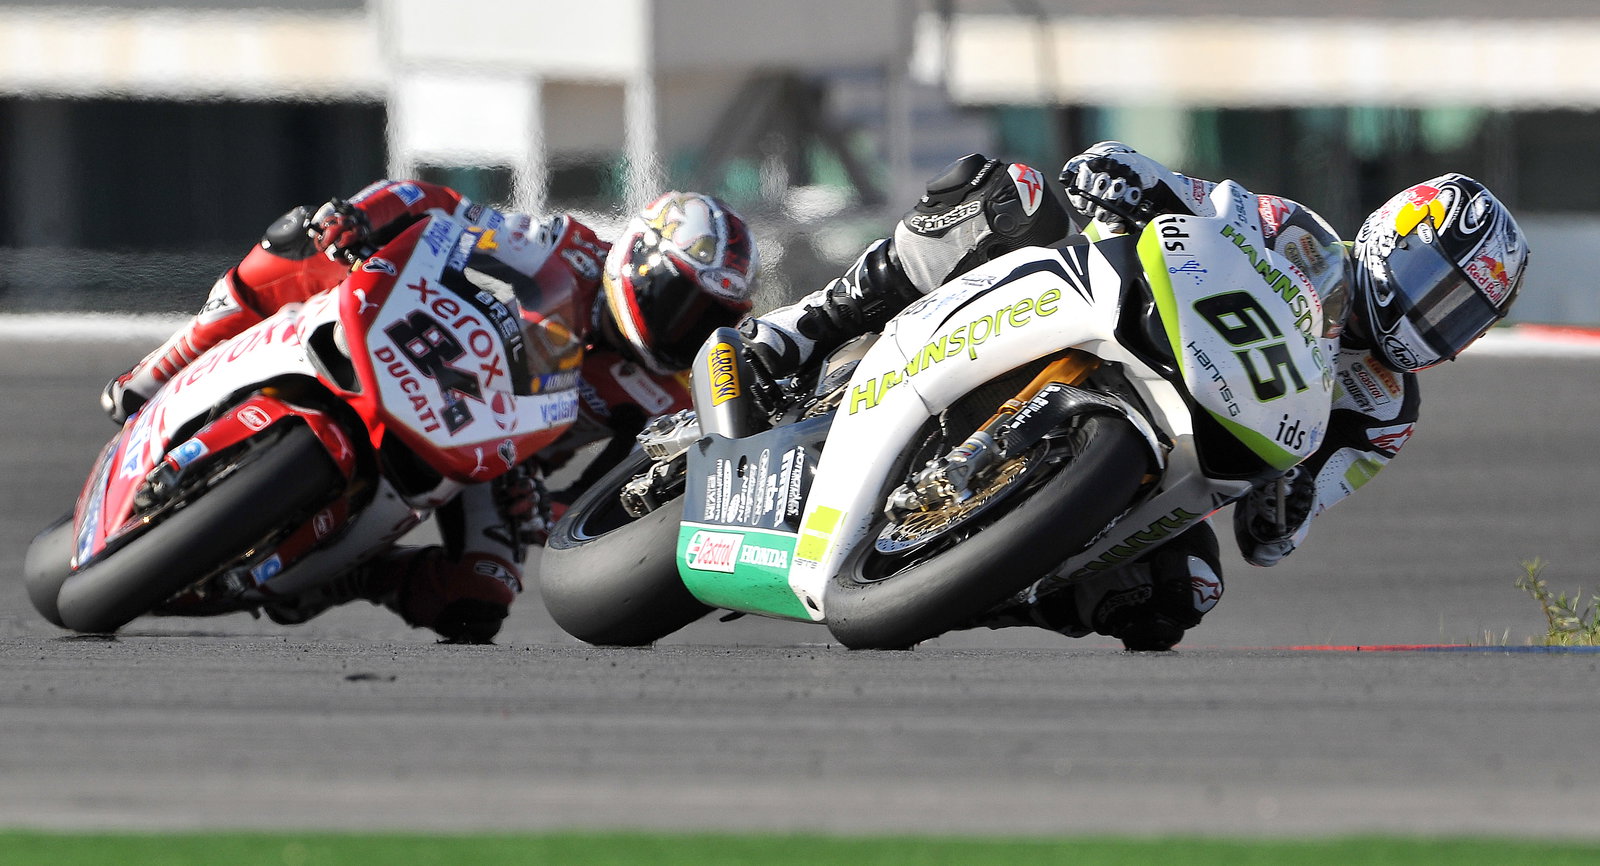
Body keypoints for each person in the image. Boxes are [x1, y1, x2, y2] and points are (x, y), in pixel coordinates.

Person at [738, 142, 1529, 650]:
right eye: (1433, 288)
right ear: (1391, 235)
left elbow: (1281, 534)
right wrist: (1128, 177)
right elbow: (1189, 196)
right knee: (1007, 194)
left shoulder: (1386, 412)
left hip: (1177, 453)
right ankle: (810, 328)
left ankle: (960, 583)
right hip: (1131, 335)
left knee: (1182, 595)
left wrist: (1283, 507)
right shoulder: (1293, 231)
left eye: (1457, 314)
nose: (1429, 317)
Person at [103, 180, 758, 642]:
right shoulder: (566, 246)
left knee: (480, 598)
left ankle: (350, 577)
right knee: (301, 237)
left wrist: (545, 509)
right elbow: (443, 209)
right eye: (682, 301)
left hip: (492, 456)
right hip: (411, 344)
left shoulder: (664, 400)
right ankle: (165, 363)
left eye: (710, 320)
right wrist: (362, 217)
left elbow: (606, 503)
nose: (689, 330)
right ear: (640, 259)